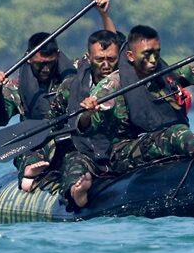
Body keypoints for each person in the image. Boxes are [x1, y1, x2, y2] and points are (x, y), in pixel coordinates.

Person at [65, 24, 194, 208]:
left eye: (156, 53)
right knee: (173, 133)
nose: (153, 60)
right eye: (146, 55)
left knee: (172, 133)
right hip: (123, 152)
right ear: (130, 56)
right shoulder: (112, 86)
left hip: (156, 141)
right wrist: (88, 112)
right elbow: (84, 126)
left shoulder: (164, 74)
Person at [20, 29, 124, 192]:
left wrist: (104, 14)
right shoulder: (71, 86)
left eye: (111, 59)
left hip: (116, 145)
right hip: (80, 145)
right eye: (99, 59)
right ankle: (32, 170)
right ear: (89, 58)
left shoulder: (127, 81)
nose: (105, 65)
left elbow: (115, 40)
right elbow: (51, 121)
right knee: (51, 143)